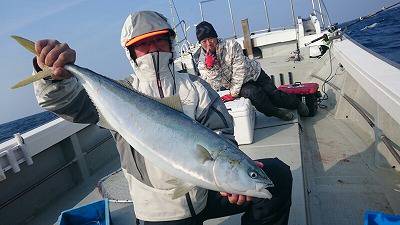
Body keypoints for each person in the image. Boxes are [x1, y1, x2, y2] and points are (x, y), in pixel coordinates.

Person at [32, 11, 292, 225]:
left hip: (204, 193)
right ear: (131, 53)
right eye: (142, 44)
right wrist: (51, 77)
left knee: (276, 177)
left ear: (171, 43)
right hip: (157, 212)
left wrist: (234, 180)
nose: (153, 49)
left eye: (159, 40)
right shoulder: (118, 93)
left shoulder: (197, 87)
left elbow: (222, 139)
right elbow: (68, 104)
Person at [195, 21, 309, 121]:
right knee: (255, 94)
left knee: (274, 95)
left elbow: (239, 69)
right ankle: (276, 112)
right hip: (239, 84)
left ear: (215, 37)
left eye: (210, 39)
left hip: (254, 73)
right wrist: (210, 67)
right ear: (200, 43)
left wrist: (233, 94)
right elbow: (214, 85)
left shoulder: (231, 45)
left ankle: (297, 103)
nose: (208, 44)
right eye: (204, 41)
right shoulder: (201, 63)